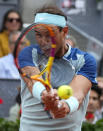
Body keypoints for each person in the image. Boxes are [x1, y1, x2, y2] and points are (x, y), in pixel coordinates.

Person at [18, 5, 97, 131]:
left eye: (49, 35)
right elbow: (33, 81)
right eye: (38, 35)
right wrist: (45, 95)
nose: (43, 41)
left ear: (64, 31)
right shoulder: (27, 53)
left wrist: (64, 106)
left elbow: (78, 94)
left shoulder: (85, 60)